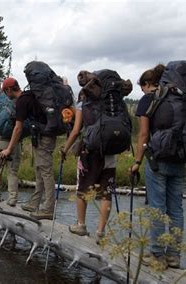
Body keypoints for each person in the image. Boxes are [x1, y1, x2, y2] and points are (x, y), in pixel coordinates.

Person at [130, 63, 183, 269]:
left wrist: (136, 162)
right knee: (176, 209)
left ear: (147, 83)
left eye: (142, 86)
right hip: (179, 159)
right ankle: (174, 256)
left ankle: (157, 255)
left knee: (157, 208)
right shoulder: (180, 99)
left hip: (157, 160)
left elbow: (143, 134)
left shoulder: (148, 100)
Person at [60, 77, 116, 243]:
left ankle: (81, 225)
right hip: (110, 152)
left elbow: (76, 130)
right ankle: (101, 232)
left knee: (83, 188)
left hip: (89, 152)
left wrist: (66, 148)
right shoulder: (111, 103)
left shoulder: (83, 104)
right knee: (106, 193)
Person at [0, 77, 56, 220]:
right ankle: (34, 203)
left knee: (46, 172)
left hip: (44, 137)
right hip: (41, 137)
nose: (6, 94)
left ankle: (48, 209)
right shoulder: (29, 95)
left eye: (5, 91)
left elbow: (18, 129)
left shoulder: (22, 101)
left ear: (9, 90)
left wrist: (9, 149)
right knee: (39, 169)